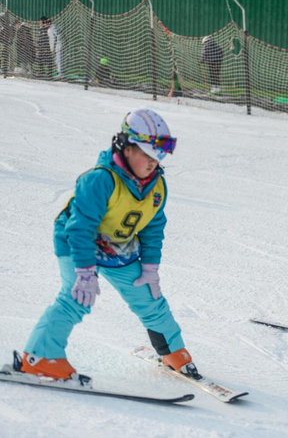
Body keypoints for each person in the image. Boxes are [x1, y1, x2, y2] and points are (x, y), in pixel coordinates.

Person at [20, 109, 198, 381]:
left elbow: (153, 227)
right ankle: (40, 357)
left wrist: (150, 266)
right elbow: (80, 228)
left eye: (157, 157)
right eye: (147, 155)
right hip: (78, 241)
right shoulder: (100, 179)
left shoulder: (157, 185)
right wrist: (84, 272)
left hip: (119, 245)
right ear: (126, 148)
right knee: (75, 298)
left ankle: (172, 351)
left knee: (149, 299)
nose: (153, 163)